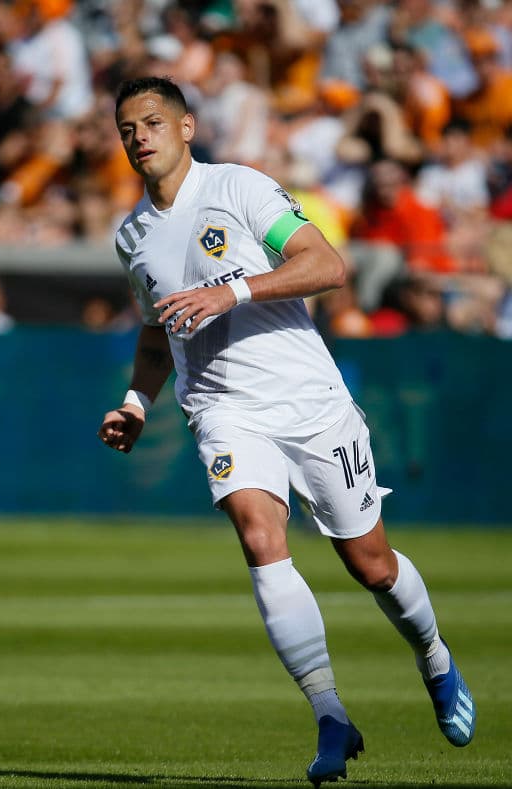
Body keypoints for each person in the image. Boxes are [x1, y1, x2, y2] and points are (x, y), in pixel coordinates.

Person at [98, 77, 475, 787]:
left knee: (371, 565)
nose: (139, 137)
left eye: (152, 122)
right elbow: (156, 330)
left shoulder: (238, 187)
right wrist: (136, 402)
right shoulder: (132, 235)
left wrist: (232, 290)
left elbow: (327, 265)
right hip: (221, 407)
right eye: (126, 129)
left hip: (308, 401)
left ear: (186, 127)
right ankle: (330, 714)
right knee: (259, 537)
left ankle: (434, 656)